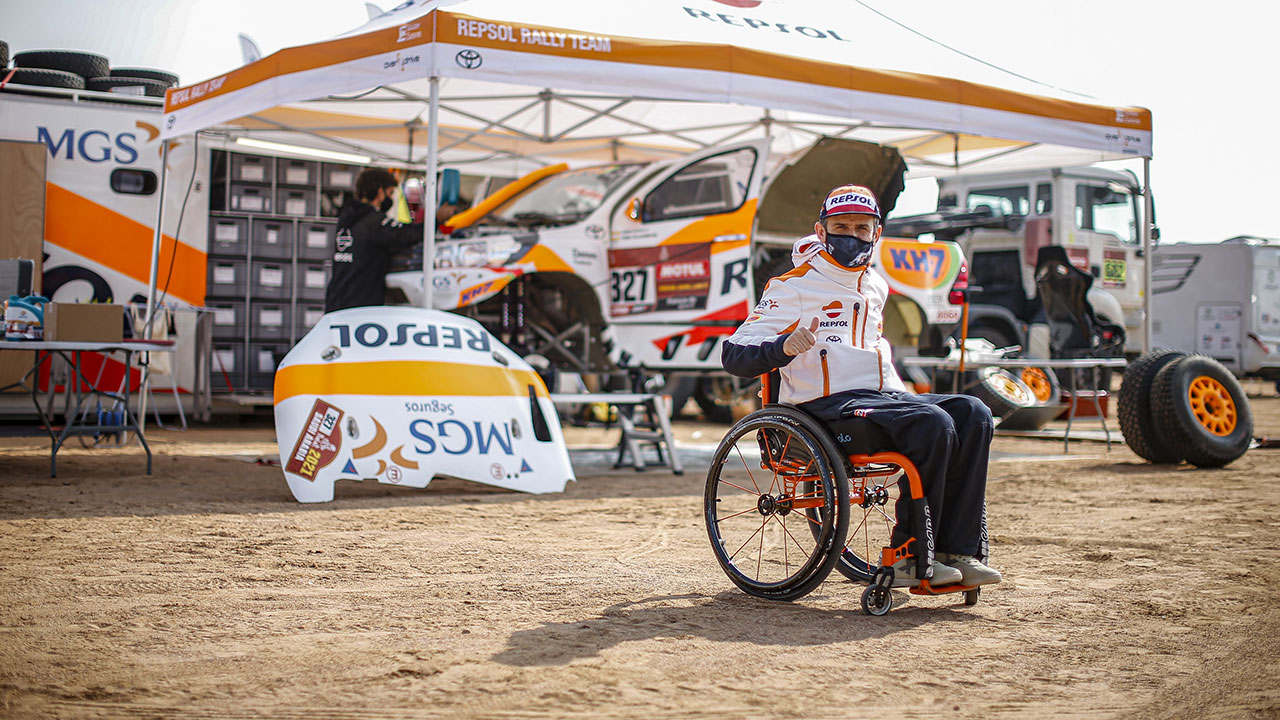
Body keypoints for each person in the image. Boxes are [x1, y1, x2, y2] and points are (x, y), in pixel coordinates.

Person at [721, 184, 1002, 589]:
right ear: (821, 232)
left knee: (974, 413)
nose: (851, 236)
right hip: (821, 407)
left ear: (877, 232)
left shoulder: (876, 285)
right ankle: (910, 559)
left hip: (880, 397)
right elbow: (733, 354)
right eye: (841, 227)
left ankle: (956, 552)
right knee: (932, 423)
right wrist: (782, 346)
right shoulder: (792, 286)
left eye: (861, 227)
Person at [324, 168, 425, 313]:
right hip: (359, 307)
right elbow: (407, 235)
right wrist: (436, 221)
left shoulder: (347, 217)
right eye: (390, 193)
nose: (391, 199)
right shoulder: (374, 221)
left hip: (336, 302)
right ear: (380, 192)